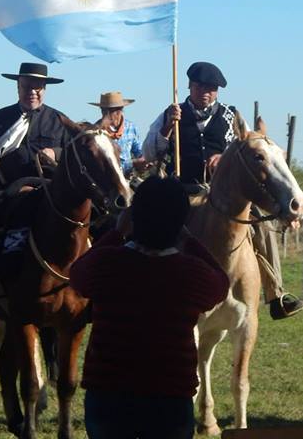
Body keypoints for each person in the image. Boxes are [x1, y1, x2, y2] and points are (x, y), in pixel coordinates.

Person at [143, 61, 303, 320]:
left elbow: (248, 149)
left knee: (261, 226)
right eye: (200, 86)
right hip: (182, 190)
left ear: (217, 91)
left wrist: (223, 156)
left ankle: (276, 294)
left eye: (211, 88)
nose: (205, 92)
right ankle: (147, 286)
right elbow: (149, 152)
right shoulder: (173, 113)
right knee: (153, 225)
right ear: (189, 86)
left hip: (223, 193)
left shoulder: (232, 116)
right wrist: (166, 128)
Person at [71, 176, 229, 439]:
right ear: (181, 223)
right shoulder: (192, 274)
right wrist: (189, 241)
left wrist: (116, 233)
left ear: (133, 216)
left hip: (109, 394)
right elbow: (221, 284)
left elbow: (77, 274)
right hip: (170, 396)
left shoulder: (108, 264)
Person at [0, 61, 71, 196]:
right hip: (4, 188)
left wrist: (55, 153)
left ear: (44, 89)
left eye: (37, 88)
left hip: (47, 192)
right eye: (26, 87)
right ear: (18, 87)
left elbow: (74, 154)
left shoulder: (60, 120)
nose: (32, 92)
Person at [89, 90, 147, 178]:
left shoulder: (131, 127)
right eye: (104, 110)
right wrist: (132, 163)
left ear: (119, 111)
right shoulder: (96, 131)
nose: (106, 114)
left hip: (127, 178)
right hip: (105, 180)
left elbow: (138, 150)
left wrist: (144, 159)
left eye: (110, 111)